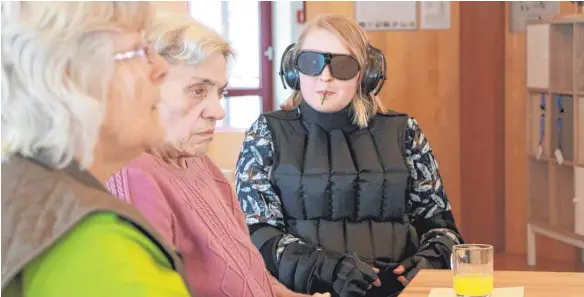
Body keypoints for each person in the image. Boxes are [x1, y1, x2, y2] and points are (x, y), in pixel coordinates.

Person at [235, 14, 464, 297]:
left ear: (366, 75)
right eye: (311, 62)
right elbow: (257, 234)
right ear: (294, 71)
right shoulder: (266, 133)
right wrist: (325, 268)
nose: (325, 76)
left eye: (343, 65)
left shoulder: (404, 131)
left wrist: (429, 263)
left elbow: (443, 230)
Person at [105, 11, 330, 297]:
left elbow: (252, 278)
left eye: (219, 92)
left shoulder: (200, 164)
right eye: (197, 90)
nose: (218, 111)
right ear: (148, 89)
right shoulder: (134, 177)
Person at [1, 2, 193, 297]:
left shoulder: (17, 187)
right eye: (139, 50)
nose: (161, 68)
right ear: (70, 79)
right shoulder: (101, 248)